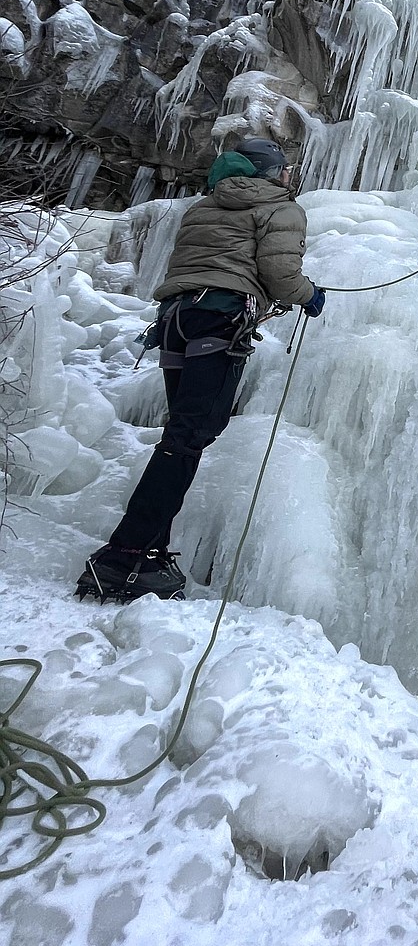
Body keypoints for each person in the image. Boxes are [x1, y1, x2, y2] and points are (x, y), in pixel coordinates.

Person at [77, 136, 326, 603]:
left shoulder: (203, 207)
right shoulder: (281, 208)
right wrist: (309, 296)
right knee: (188, 438)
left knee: (181, 435)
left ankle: (150, 552)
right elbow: (280, 275)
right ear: (270, 172)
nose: (292, 175)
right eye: (286, 168)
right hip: (219, 318)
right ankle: (124, 558)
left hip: (175, 321)